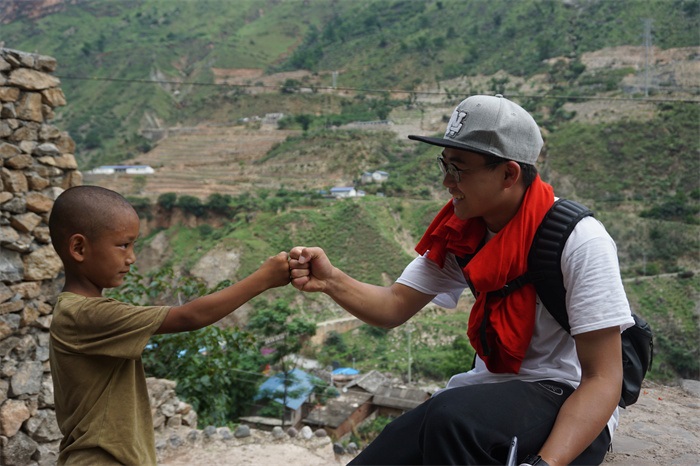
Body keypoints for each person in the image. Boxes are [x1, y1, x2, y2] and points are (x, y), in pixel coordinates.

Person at [289, 94, 635, 466]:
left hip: (564, 397)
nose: (446, 182)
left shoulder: (580, 240)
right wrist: (330, 280)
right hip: (484, 395)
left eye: (460, 169)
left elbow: (602, 379)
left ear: (508, 174)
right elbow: (393, 305)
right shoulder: (463, 234)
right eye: (445, 165)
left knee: (451, 418)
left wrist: (544, 464)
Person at [48, 185, 290, 465]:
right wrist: (265, 277)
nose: (132, 257)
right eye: (123, 245)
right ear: (79, 248)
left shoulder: (79, 311)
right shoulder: (84, 315)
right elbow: (189, 316)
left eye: (134, 245)